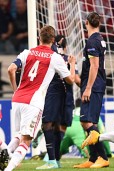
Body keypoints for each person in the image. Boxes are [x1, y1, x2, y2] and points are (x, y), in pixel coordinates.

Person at [2, 25, 75, 171]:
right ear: (53, 40)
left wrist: (15, 90)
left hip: (17, 99)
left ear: (39, 38)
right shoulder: (55, 58)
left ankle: (4, 156)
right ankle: (7, 169)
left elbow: (11, 69)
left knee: (19, 136)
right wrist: (72, 64)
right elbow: (71, 80)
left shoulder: (26, 52)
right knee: (26, 141)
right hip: (33, 103)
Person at [35, 35, 80, 169]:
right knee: (61, 128)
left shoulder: (51, 58)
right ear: (65, 47)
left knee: (50, 125)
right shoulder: (68, 59)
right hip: (67, 97)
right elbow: (75, 79)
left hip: (54, 95)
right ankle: (54, 159)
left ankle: (52, 159)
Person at [73, 11, 109, 169]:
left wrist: (87, 88)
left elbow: (94, 66)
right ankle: (93, 158)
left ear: (86, 23)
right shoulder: (99, 39)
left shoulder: (93, 42)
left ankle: (103, 157)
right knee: (88, 122)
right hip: (95, 84)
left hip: (93, 86)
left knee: (87, 122)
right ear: (99, 23)